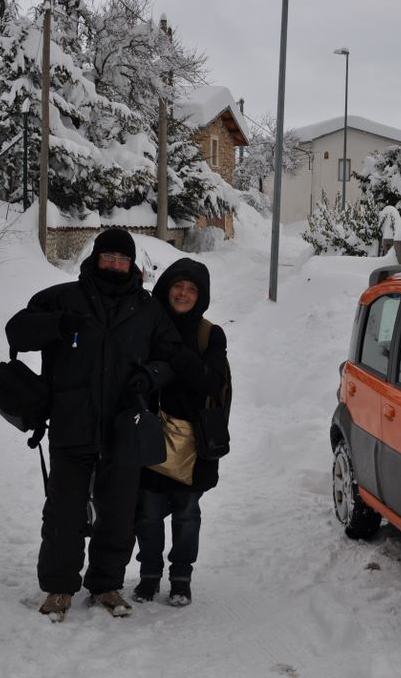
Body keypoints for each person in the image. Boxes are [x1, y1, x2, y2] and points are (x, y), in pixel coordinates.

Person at [5, 228, 181, 620]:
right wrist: (56, 324)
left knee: (119, 513)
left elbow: (170, 357)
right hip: (72, 422)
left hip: (124, 426)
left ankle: (106, 585)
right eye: (109, 257)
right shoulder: (62, 298)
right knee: (64, 512)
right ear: (96, 258)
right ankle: (58, 587)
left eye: (123, 259)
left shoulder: (147, 309)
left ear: (132, 265)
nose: (116, 265)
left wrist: (149, 375)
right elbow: (16, 331)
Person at [132, 258, 229, 607]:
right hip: (151, 436)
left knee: (187, 513)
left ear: (200, 296)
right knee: (148, 513)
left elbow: (211, 381)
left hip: (194, 440)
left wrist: (175, 355)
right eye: (178, 286)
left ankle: (181, 577)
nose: (184, 294)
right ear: (166, 288)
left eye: (192, 289)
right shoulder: (147, 326)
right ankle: (149, 575)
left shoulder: (209, 334)